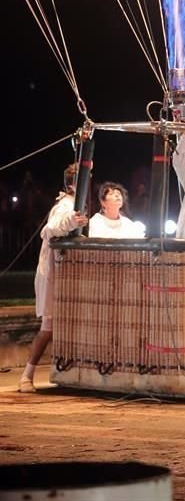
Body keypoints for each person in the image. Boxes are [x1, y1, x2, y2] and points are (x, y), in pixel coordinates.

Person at [18, 163, 89, 393]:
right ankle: (26, 376)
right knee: (48, 326)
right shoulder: (65, 206)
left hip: (66, 273)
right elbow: (50, 229)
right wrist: (72, 222)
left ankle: (69, 372)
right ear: (72, 185)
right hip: (52, 273)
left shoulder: (74, 205)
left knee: (66, 325)